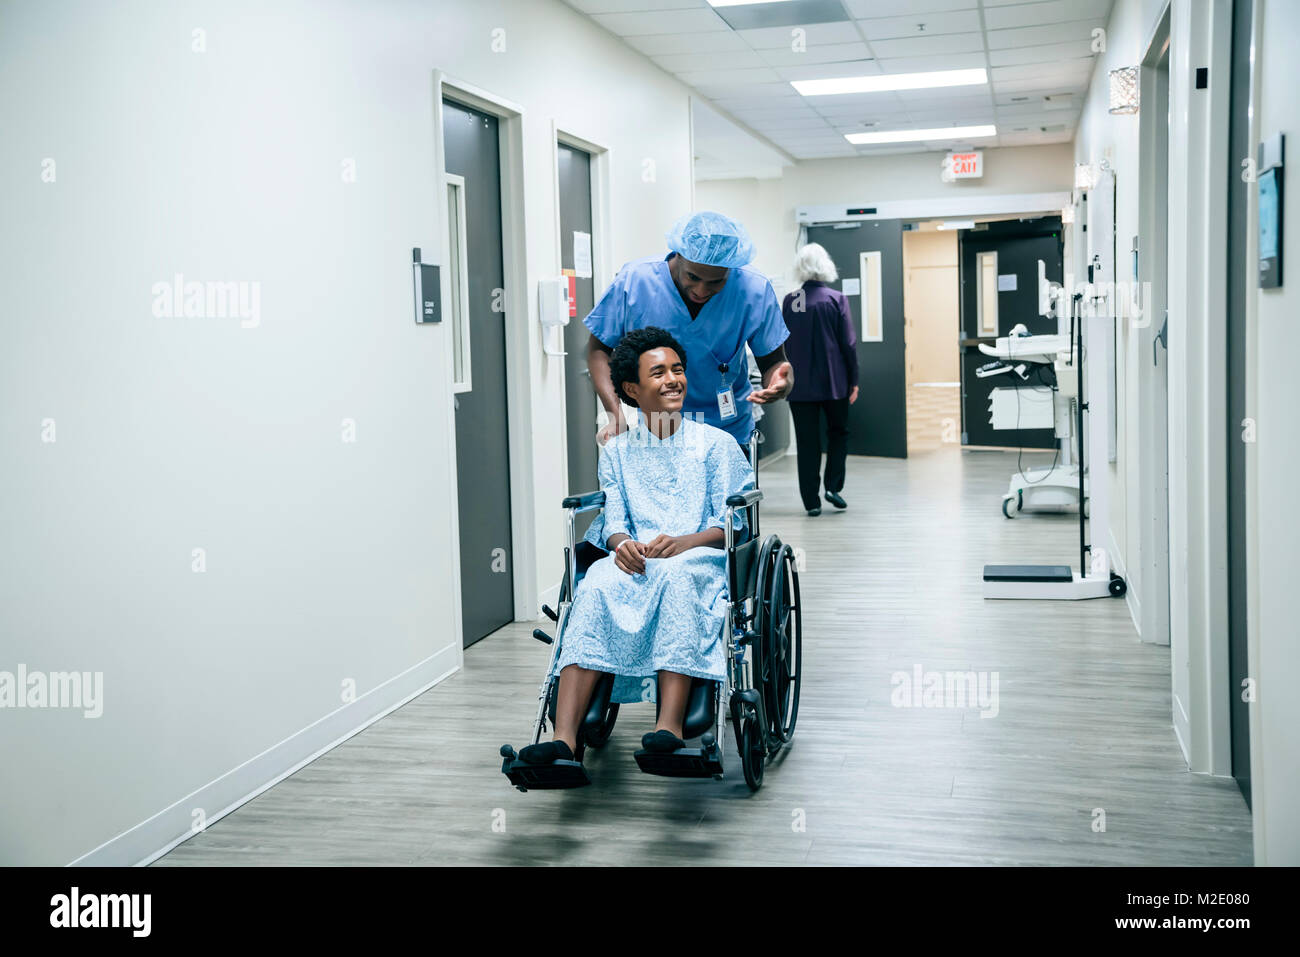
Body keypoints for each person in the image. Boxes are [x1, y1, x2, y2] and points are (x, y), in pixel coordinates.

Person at [518, 327, 754, 765]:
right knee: (593, 587)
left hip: (697, 558)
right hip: (636, 560)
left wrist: (685, 542)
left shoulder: (715, 445)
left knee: (677, 578)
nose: (673, 380)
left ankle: (668, 726)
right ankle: (563, 738)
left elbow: (734, 524)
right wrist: (621, 543)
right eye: (659, 372)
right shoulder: (618, 452)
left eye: (678, 370)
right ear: (631, 388)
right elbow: (614, 520)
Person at [584, 211, 794, 453]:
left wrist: (780, 381)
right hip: (659, 433)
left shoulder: (753, 289)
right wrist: (615, 414)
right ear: (678, 255)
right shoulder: (635, 282)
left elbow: (774, 362)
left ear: (732, 269)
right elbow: (599, 350)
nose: (701, 290)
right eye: (692, 277)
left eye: (716, 282)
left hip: (728, 434)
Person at [782, 243, 859, 516]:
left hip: (799, 384)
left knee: (807, 441)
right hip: (835, 382)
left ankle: (811, 501)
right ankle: (833, 487)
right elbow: (848, 343)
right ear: (825, 265)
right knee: (838, 433)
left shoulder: (792, 300)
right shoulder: (835, 298)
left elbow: (784, 342)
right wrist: (854, 379)